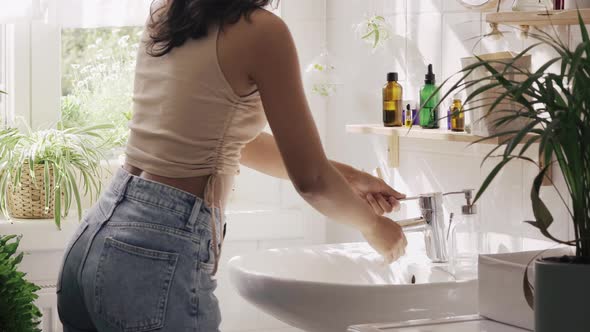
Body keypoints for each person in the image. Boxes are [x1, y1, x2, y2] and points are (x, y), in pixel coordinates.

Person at [57, 0, 408, 331]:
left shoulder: (170, 14)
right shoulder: (262, 32)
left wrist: (351, 178)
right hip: (153, 251)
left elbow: (234, 140)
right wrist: (374, 227)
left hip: (97, 236)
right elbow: (312, 180)